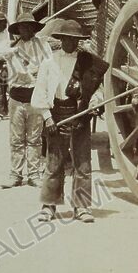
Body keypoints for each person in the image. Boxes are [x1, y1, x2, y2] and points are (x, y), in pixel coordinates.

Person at [32, 19, 95, 224]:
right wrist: (47, 117)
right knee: (54, 161)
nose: (70, 43)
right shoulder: (49, 63)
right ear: (60, 39)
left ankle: (82, 207)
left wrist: (95, 102)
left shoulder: (87, 63)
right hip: (56, 114)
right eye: (66, 38)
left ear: (78, 41)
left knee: (83, 162)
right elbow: (40, 92)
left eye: (74, 39)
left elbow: (97, 90)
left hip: (79, 114)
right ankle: (49, 206)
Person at [0, 15, 52, 188]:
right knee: (16, 138)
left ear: (33, 28)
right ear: (18, 30)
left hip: (35, 97)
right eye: (22, 27)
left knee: (35, 138)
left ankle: (34, 174)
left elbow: (50, 67)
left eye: (29, 27)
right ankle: (15, 174)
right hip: (16, 97)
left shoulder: (43, 46)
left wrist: (38, 72)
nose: (25, 31)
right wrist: (7, 53)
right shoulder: (12, 47)